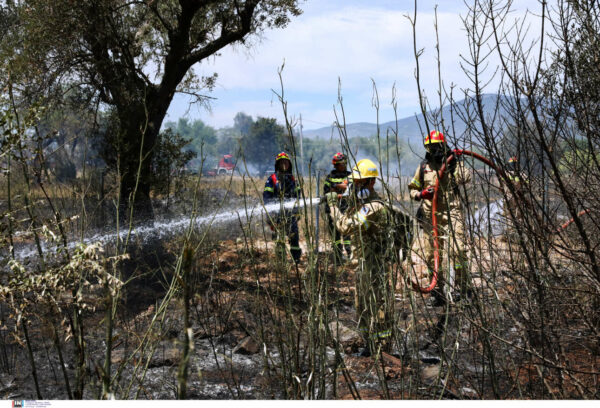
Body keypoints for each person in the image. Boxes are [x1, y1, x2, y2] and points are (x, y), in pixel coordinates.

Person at [325, 159, 396, 355]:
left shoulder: (373, 207)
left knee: (376, 305)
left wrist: (333, 206)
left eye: (359, 183)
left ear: (371, 183)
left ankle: (381, 347)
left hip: (373, 265)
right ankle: (369, 344)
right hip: (363, 265)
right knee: (362, 306)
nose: (355, 186)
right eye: (353, 183)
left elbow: (345, 227)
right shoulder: (362, 205)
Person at [408, 130, 471, 306]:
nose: (434, 150)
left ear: (443, 146)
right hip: (430, 216)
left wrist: (455, 163)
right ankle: (437, 292)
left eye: (437, 146)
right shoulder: (424, 167)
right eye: (431, 147)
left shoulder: (453, 163)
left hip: (452, 214)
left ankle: (464, 290)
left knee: (457, 251)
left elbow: (466, 178)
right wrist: (421, 194)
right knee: (431, 255)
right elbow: (412, 188)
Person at [263, 152, 302, 264]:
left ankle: (296, 259)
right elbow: (267, 197)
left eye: (286, 162)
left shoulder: (293, 179)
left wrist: (298, 210)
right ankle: (281, 261)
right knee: (279, 238)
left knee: (294, 236)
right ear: (277, 164)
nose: (284, 164)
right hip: (277, 215)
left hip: (291, 214)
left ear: (290, 164)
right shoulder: (272, 179)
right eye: (282, 162)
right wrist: (270, 214)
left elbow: (298, 195)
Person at [323, 152, 352, 263]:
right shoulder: (330, 177)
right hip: (333, 209)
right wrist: (340, 189)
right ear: (336, 165)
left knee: (347, 233)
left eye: (344, 163)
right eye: (341, 163)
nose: (343, 165)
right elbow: (327, 192)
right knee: (335, 235)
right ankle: (338, 258)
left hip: (347, 208)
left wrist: (336, 187)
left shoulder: (350, 175)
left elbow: (350, 189)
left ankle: (350, 256)